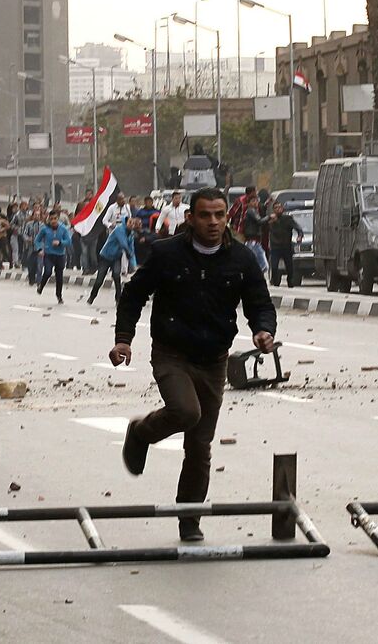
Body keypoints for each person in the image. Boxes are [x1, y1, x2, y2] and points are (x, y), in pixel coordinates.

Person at [110, 187, 277, 542]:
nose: (214, 222)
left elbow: (259, 304)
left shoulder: (241, 259)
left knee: (200, 446)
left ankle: (189, 517)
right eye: (205, 215)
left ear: (227, 218)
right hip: (172, 354)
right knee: (187, 412)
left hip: (214, 360)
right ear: (190, 218)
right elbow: (134, 294)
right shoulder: (166, 254)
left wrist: (263, 331)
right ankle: (141, 432)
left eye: (220, 215)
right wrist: (124, 339)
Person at [88, 218, 139, 304]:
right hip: (106, 256)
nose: (132, 225)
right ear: (125, 223)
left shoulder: (131, 234)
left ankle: (118, 299)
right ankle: (92, 296)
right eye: (130, 222)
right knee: (100, 279)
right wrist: (129, 254)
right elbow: (123, 244)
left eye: (133, 223)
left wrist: (133, 265)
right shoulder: (119, 229)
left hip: (116, 257)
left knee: (116, 276)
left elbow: (131, 249)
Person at [35, 211, 72, 304]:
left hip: (60, 255)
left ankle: (59, 296)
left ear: (58, 218)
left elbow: (68, 241)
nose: (53, 221)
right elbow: (37, 240)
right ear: (49, 219)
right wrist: (40, 249)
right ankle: (41, 286)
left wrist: (60, 243)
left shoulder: (63, 229)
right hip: (49, 254)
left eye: (55, 219)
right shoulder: (45, 229)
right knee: (47, 271)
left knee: (59, 276)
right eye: (51, 219)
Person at [268, 202, 304, 287]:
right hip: (275, 247)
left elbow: (298, 228)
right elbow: (261, 225)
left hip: (286, 246)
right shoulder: (270, 220)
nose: (278, 209)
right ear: (273, 210)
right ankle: (275, 281)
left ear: (282, 209)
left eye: (279, 207)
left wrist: (300, 236)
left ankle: (290, 281)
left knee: (289, 266)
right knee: (274, 265)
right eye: (276, 208)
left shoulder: (287, 219)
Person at [243, 194, 272, 273]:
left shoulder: (254, 211)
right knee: (263, 264)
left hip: (255, 241)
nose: (256, 203)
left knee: (260, 263)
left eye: (256, 201)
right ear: (248, 203)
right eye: (253, 201)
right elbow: (259, 221)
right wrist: (269, 217)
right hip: (252, 241)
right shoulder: (251, 210)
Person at [20, 207, 44, 286]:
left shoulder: (43, 225)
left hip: (40, 247)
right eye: (35, 215)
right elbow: (24, 234)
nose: (37, 216)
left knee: (39, 265)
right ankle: (31, 279)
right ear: (33, 216)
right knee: (31, 265)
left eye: (38, 215)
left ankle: (39, 281)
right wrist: (27, 239)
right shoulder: (28, 224)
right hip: (31, 247)